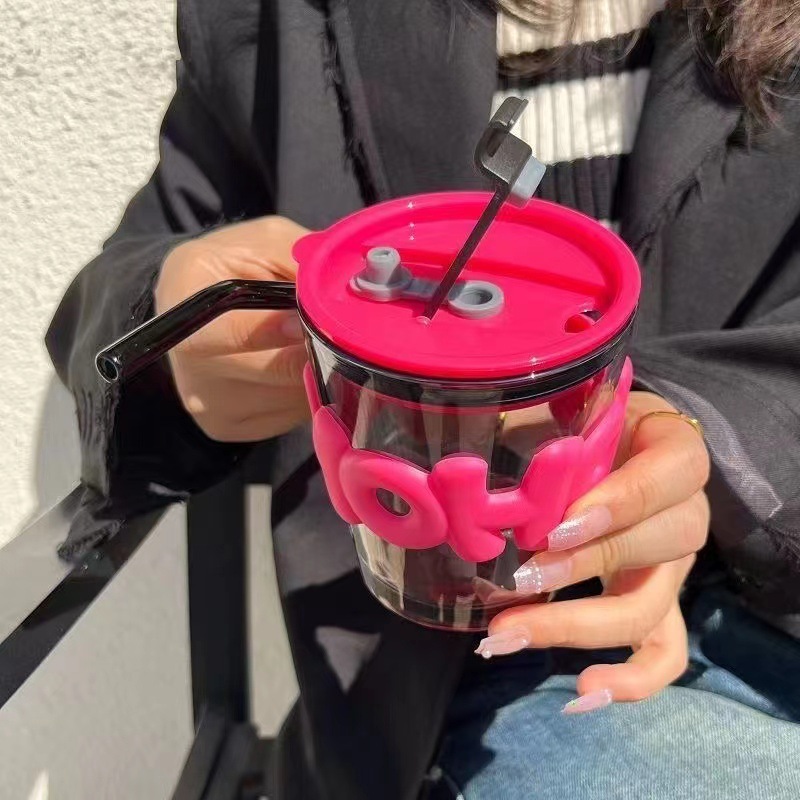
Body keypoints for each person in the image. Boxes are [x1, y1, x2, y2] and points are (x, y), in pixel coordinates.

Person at [46, 1, 800, 798]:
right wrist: (170, 327)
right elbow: (116, 295)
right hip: (453, 667)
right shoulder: (281, 21)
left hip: (767, 615)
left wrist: (709, 438)